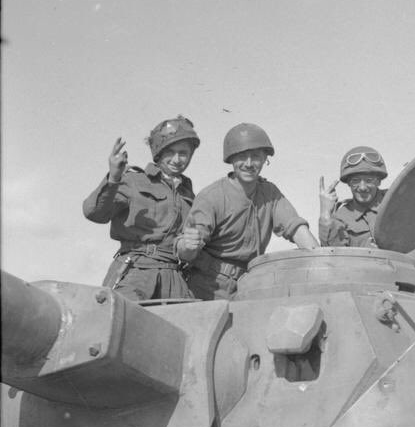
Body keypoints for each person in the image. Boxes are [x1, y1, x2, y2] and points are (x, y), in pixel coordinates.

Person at [176, 123, 319, 300]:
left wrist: (321, 262)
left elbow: (296, 229)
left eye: (256, 157)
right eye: (242, 157)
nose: (249, 164)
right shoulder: (212, 196)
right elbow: (186, 251)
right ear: (231, 159)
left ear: (265, 158)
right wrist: (188, 245)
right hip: (208, 285)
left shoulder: (270, 193)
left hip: (250, 284)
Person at [83, 116, 200, 301]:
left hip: (174, 278)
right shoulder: (133, 181)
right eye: (170, 152)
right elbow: (94, 213)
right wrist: (113, 178)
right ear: (158, 153)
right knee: (119, 323)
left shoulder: (190, 196)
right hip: (136, 272)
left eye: (183, 153)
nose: (177, 159)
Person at [318, 146, 415, 269]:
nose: (362, 187)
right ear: (349, 184)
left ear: (379, 181)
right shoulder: (342, 216)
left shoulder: (397, 201)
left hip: (400, 280)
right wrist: (325, 214)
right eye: (356, 180)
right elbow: (333, 257)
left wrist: (399, 264)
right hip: (361, 282)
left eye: (369, 180)